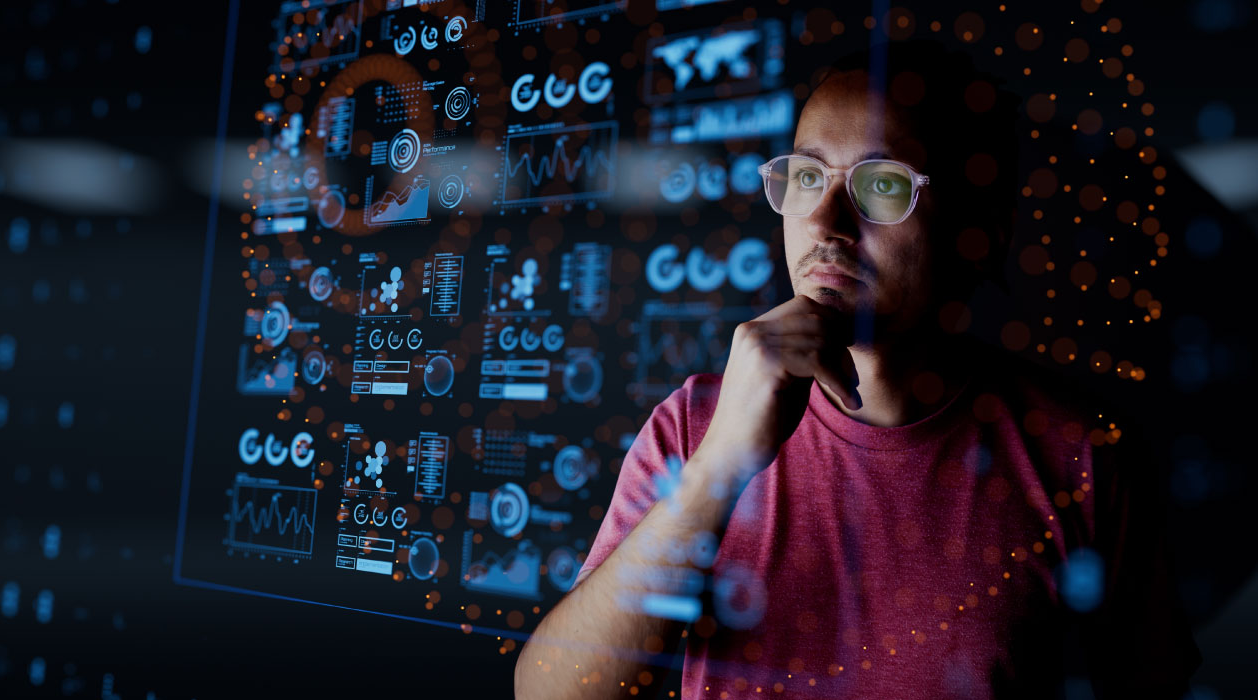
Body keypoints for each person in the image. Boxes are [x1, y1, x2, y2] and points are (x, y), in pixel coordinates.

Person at [515, 39, 1202, 699]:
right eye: (806, 176)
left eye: (881, 184)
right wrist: (715, 473)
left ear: (978, 231)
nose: (824, 220)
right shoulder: (694, 426)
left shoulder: (1078, 457)